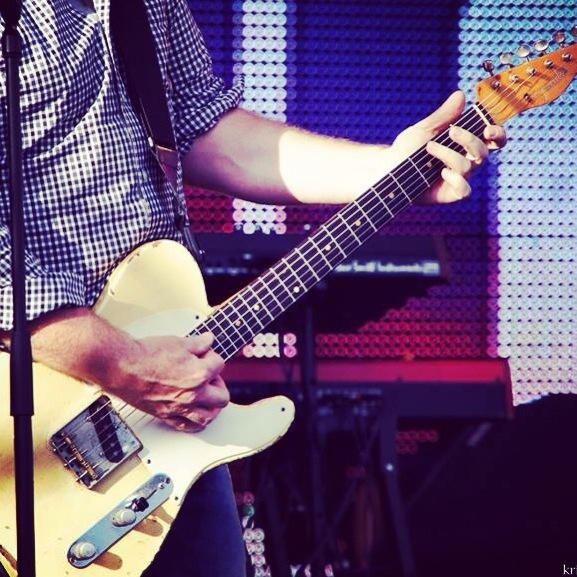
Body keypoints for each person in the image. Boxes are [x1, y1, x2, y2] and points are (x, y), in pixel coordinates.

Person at [0, 1, 506, 576]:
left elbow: (208, 131)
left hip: (165, 417)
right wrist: (124, 364)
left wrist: (388, 168)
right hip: (37, 394)